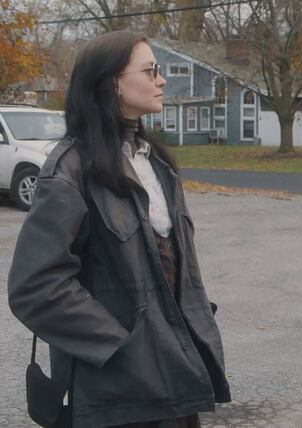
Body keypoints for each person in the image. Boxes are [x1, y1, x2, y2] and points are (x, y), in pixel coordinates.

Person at [8, 30, 230, 427]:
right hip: (116, 395)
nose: (161, 80)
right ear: (112, 82)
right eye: (150, 70)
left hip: (175, 377)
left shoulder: (156, 164)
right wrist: (120, 344)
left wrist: (193, 323)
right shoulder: (69, 172)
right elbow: (35, 287)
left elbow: (175, 268)